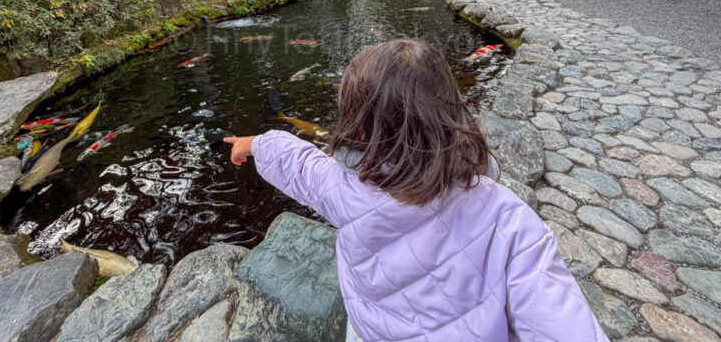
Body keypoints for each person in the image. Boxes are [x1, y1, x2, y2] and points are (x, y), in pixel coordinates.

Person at [225, 39, 608, 342]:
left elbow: (299, 165)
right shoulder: (505, 213)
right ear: (451, 114)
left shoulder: (341, 188)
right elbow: (560, 319)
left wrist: (257, 142)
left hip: (377, 329)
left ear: (359, 127)